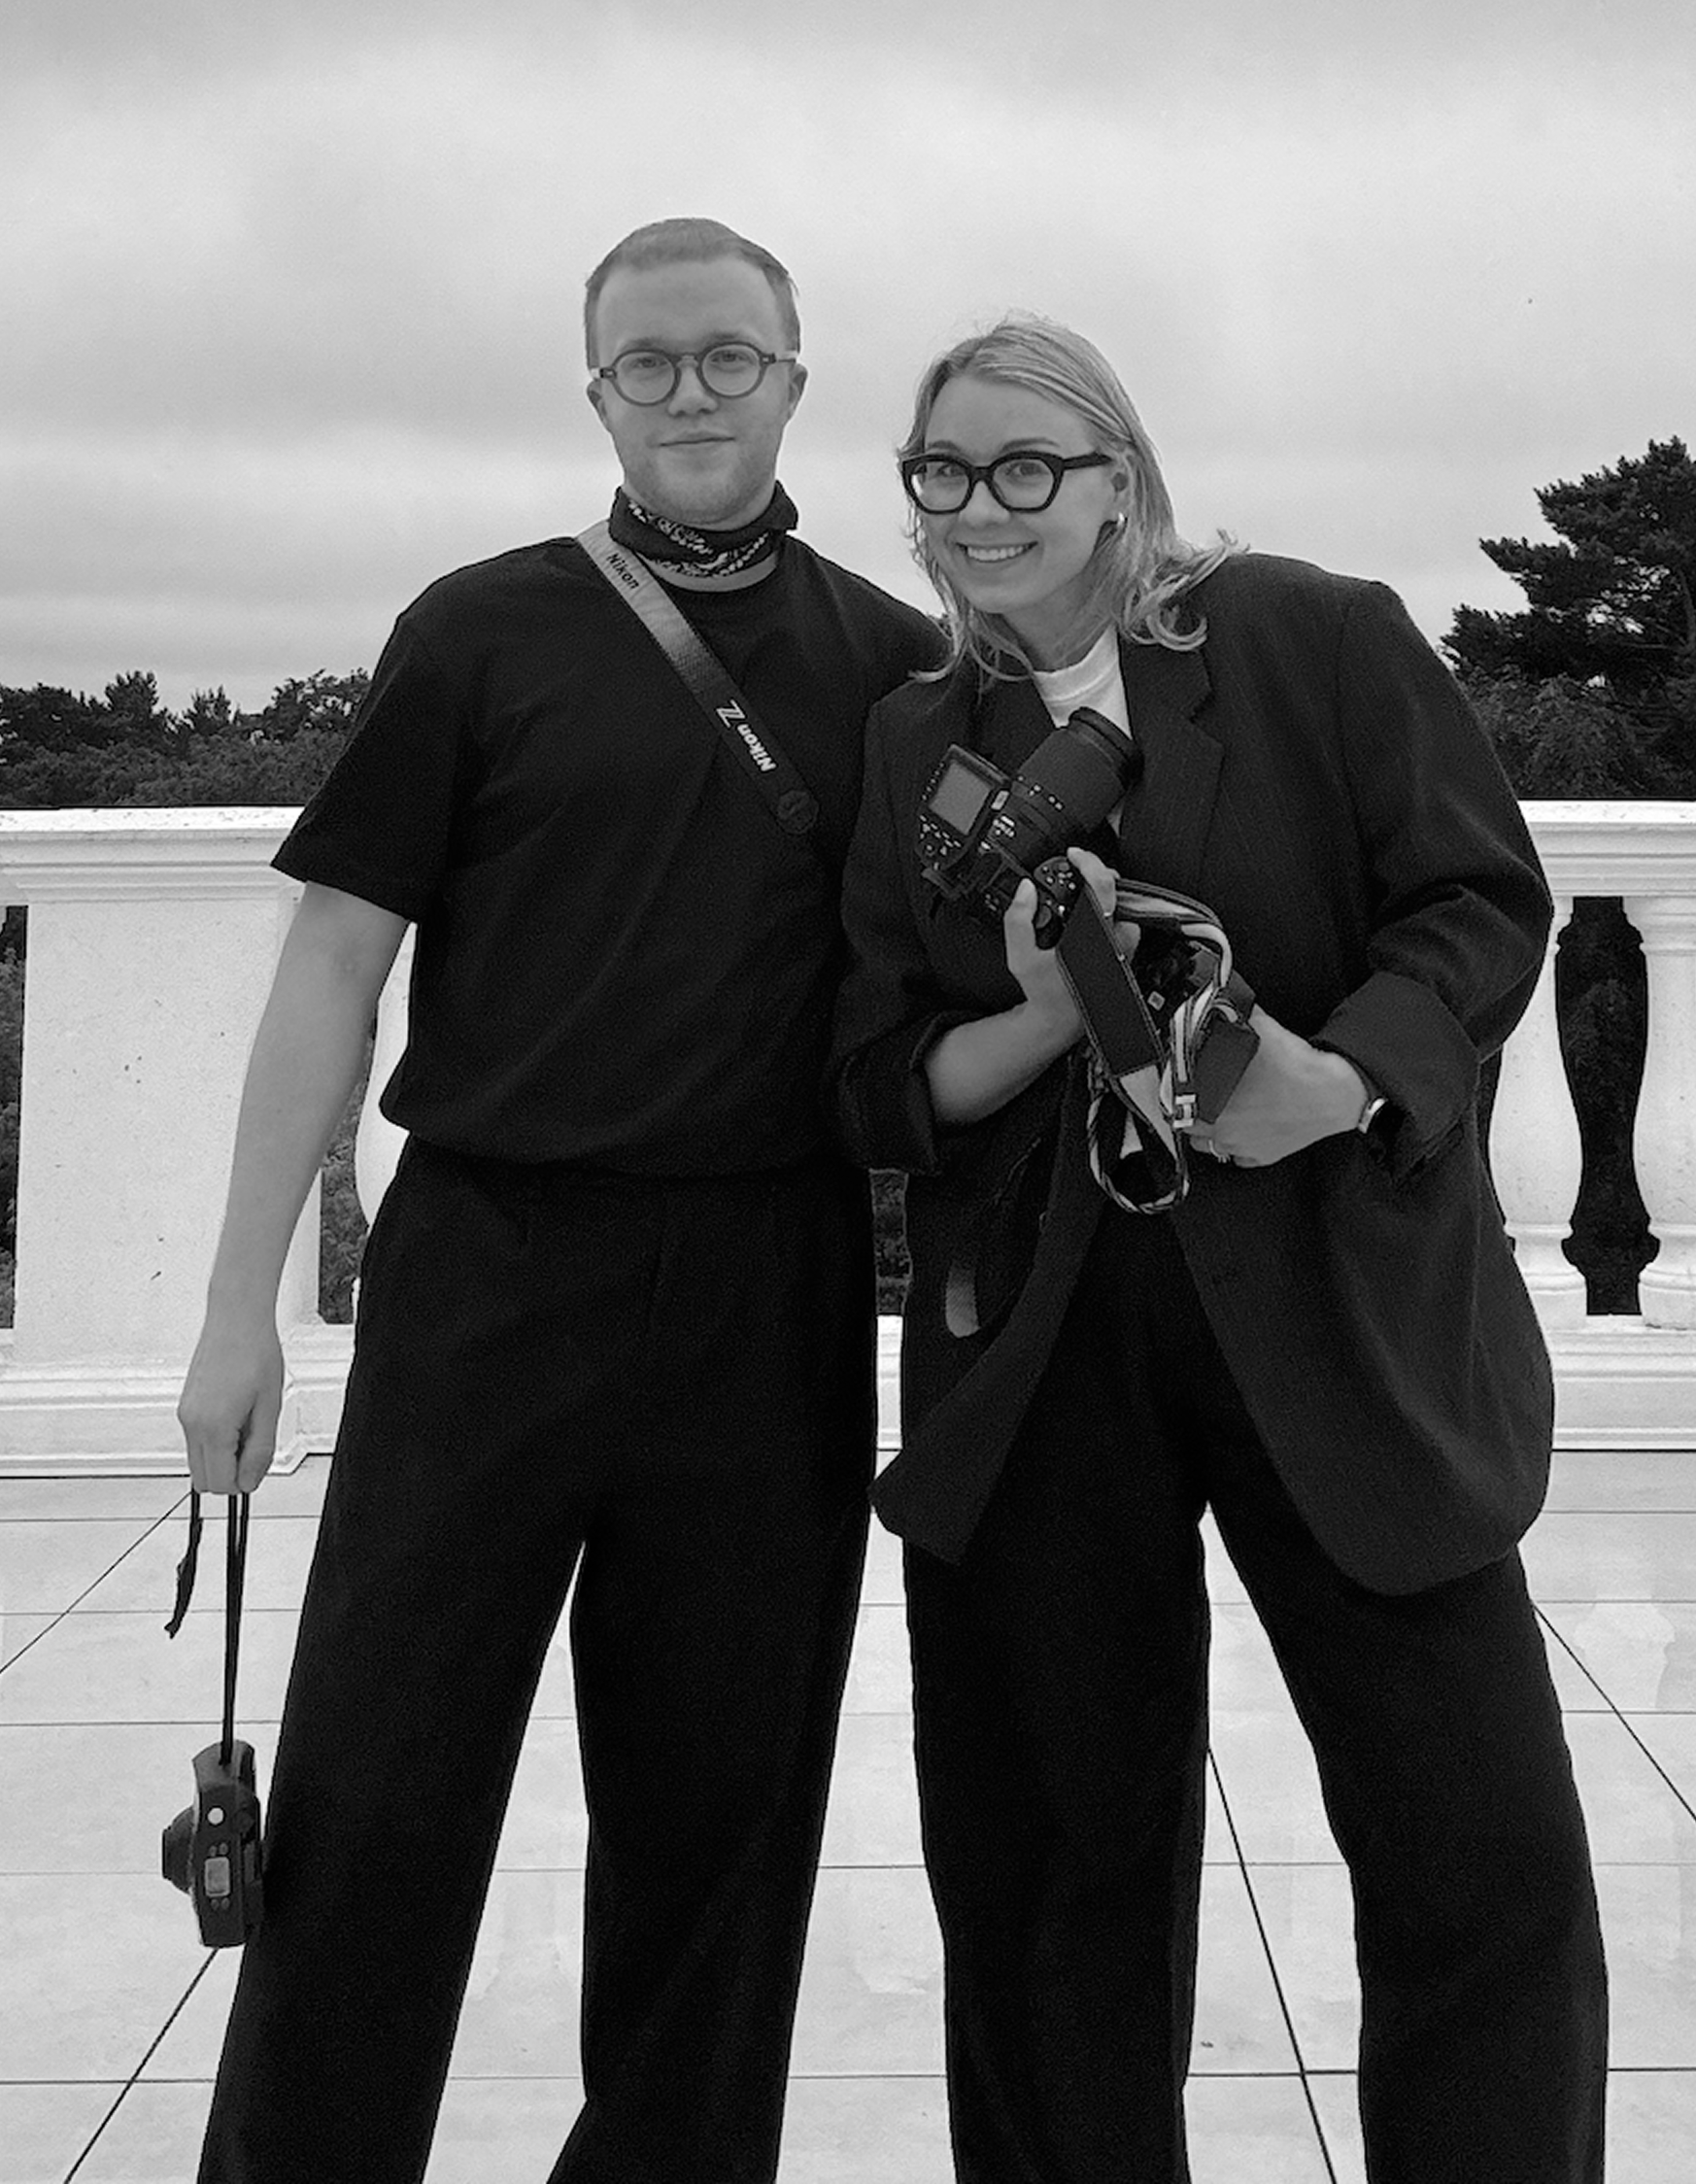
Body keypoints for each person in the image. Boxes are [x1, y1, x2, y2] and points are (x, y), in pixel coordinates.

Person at [176, 218, 937, 2184]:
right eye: (646, 360)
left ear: (794, 374)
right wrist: (235, 1305)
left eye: (727, 355)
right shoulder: (480, 629)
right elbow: (333, 966)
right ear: (594, 385)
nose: (689, 390)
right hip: (488, 1273)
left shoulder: (885, 661)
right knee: (375, 1799)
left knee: (722, 1826)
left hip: (769, 1290)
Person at [833, 314, 1609, 2184]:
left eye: (1031, 468)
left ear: (1123, 474)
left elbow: (1480, 902)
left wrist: (1333, 1080)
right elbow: (873, 1072)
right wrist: (1036, 1009)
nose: (983, 510)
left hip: (1341, 1306)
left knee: (1475, 1853)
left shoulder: (1307, 638)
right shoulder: (918, 736)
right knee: (1048, 1884)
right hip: (1036, 1342)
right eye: (945, 472)